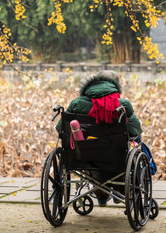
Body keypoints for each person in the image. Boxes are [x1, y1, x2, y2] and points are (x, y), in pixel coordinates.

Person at [55, 70, 142, 206]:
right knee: (134, 144)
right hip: (116, 157)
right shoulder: (122, 104)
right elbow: (135, 130)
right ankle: (119, 189)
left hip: (84, 157)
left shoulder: (76, 103)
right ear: (115, 85)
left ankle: (101, 194)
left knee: (89, 152)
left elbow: (61, 129)